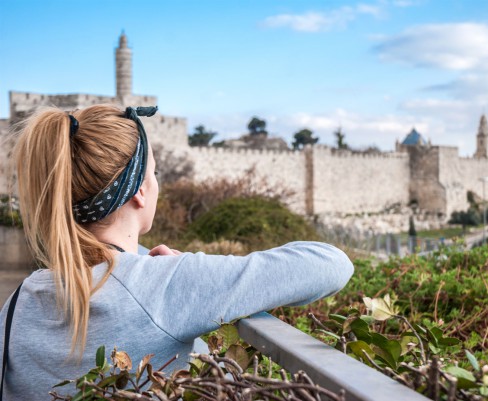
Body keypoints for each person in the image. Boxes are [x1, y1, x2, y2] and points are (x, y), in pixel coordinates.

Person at [0, 104, 354, 399]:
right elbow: (332, 264)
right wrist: (181, 269)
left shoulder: (19, 302)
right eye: (154, 173)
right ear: (139, 191)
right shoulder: (166, 283)